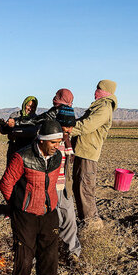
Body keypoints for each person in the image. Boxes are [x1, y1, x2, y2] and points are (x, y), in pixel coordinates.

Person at [0, 120, 64, 275]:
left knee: (49, 262)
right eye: (53, 142)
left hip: (49, 213)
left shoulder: (57, 157)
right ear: (42, 141)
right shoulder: (22, 156)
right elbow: (6, 183)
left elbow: (53, 184)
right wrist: (19, 205)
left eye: (59, 141)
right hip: (25, 215)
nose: (57, 145)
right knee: (24, 262)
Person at [70, 80, 118, 225]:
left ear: (107, 91)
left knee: (84, 188)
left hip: (88, 153)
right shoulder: (98, 105)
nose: (95, 90)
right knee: (79, 187)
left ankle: (92, 224)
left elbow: (87, 125)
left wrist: (67, 129)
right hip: (82, 151)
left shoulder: (104, 107)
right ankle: (85, 220)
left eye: (99, 88)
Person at [54, 106, 81, 261]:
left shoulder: (67, 141)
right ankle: (53, 249)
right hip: (51, 187)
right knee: (54, 219)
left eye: (71, 126)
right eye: (67, 126)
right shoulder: (50, 139)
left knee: (70, 219)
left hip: (64, 187)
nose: (70, 129)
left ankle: (73, 253)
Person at [0, 96, 39, 162]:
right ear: (24, 104)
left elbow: (32, 132)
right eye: (28, 106)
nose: (30, 109)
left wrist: (14, 132)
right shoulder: (15, 115)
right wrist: (4, 126)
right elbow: (4, 131)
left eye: (33, 107)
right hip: (14, 149)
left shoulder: (36, 119)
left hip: (29, 150)